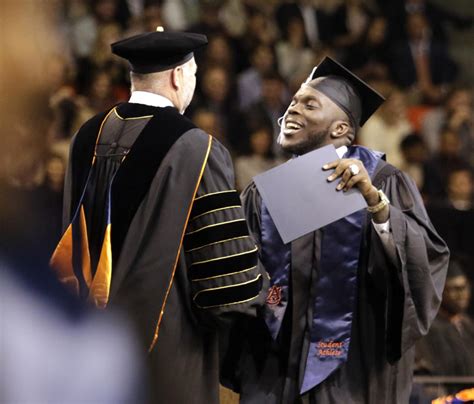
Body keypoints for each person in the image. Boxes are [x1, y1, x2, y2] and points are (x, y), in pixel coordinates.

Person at [50, 30, 266, 404]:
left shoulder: (85, 136)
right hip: (166, 349)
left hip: (86, 342)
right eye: (194, 74)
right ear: (178, 76)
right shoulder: (196, 147)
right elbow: (226, 285)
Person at [224, 56, 450, 403]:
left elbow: (424, 261)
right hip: (277, 371)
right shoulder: (264, 194)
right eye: (293, 102)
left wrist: (375, 204)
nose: (292, 110)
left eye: (309, 104)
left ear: (341, 129)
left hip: (356, 368)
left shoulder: (384, 183)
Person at [415, 260, 474, 395]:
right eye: (454, 289)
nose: (461, 295)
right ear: (440, 291)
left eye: (464, 287)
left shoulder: (468, 325)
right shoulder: (428, 329)